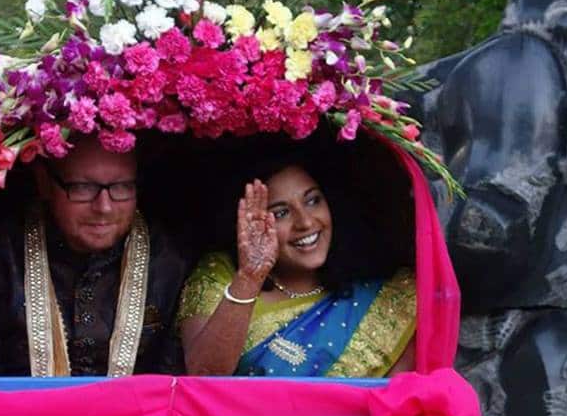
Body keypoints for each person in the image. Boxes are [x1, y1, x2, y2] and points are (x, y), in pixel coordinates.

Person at [0, 135, 189, 377]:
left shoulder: (170, 260)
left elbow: (176, 382)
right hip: (17, 413)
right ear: (44, 182)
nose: (104, 207)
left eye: (121, 187)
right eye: (83, 188)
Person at [178, 145, 416, 377]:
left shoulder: (385, 301)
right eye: (281, 213)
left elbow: (393, 404)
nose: (305, 222)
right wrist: (250, 276)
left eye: (313, 201)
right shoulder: (222, 274)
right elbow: (204, 374)